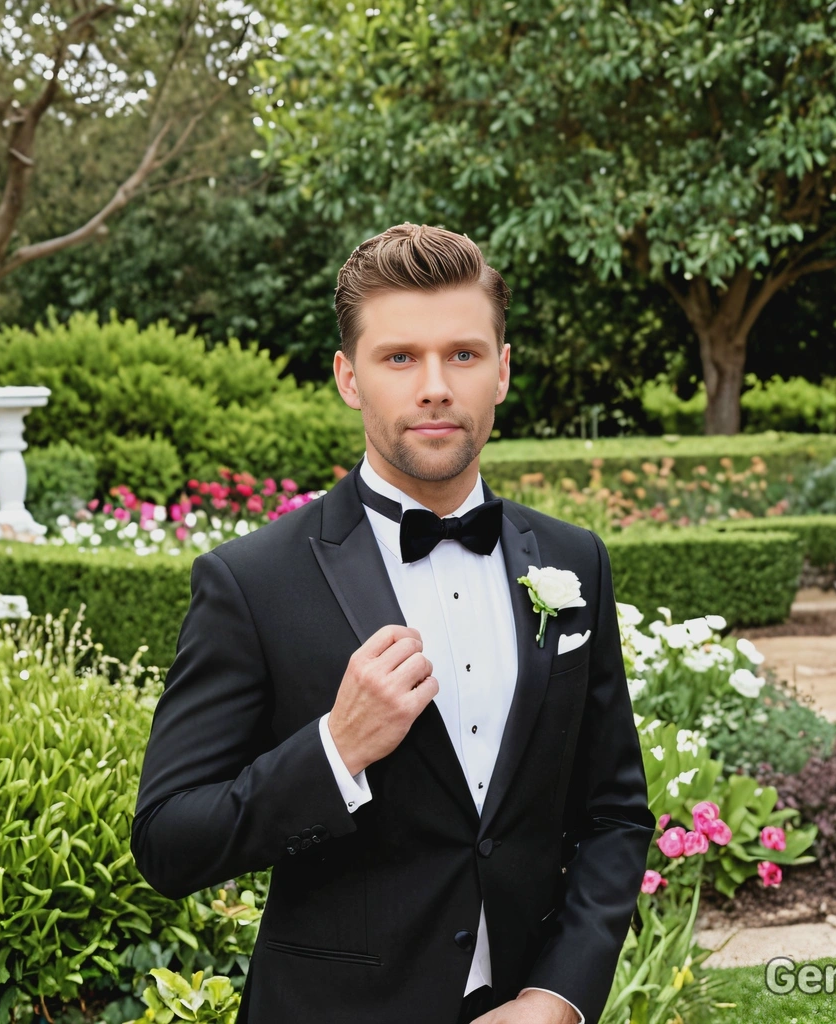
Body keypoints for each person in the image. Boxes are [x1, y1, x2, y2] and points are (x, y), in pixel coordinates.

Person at [131, 223, 655, 1024]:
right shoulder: (252, 581)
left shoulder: (573, 559)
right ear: (349, 378)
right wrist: (334, 750)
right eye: (400, 358)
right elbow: (169, 842)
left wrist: (557, 998)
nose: (436, 386)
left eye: (465, 355)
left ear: (503, 371)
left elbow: (614, 813)